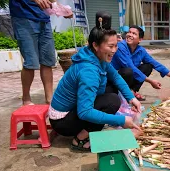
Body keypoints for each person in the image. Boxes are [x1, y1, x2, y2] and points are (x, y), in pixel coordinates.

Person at [48, 13, 142, 151]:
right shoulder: (89, 71)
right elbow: (84, 112)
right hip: (63, 122)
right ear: (95, 45)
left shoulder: (95, 56)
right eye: (110, 46)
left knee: (111, 93)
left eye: (116, 45)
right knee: (112, 101)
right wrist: (121, 121)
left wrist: (131, 98)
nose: (114, 50)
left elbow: (115, 77)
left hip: (71, 112)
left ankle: (88, 131)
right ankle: (79, 140)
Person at [9, 0, 72, 105]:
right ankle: (26, 98)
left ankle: (49, 98)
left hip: (44, 18)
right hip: (24, 16)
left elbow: (51, 1)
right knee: (31, 62)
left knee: (48, 60)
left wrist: (62, 9)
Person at [111, 25, 170, 101]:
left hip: (129, 76)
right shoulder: (120, 46)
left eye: (134, 33)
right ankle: (120, 94)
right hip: (115, 78)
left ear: (140, 39)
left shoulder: (141, 50)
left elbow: (155, 63)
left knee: (148, 66)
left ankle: (132, 92)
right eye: (129, 32)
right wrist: (151, 81)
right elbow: (130, 67)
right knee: (128, 71)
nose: (130, 35)